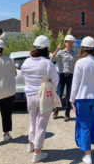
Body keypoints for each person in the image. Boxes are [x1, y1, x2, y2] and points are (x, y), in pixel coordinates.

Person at [21, 35, 59, 163]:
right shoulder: (47, 63)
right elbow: (56, 80)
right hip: (44, 96)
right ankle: (37, 153)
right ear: (46, 48)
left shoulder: (26, 62)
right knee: (41, 124)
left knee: (33, 121)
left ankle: (30, 145)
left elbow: (25, 77)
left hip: (30, 96)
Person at [70, 36, 94, 164]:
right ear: (93, 48)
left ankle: (87, 155)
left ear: (83, 49)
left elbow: (75, 83)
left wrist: (71, 100)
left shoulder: (79, 63)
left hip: (82, 98)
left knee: (85, 126)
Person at [51, 35, 78, 121]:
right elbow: (52, 58)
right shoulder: (61, 53)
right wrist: (57, 49)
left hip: (71, 76)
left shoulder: (75, 53)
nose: (70, 44)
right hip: (62, 76)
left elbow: (78, 63)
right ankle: (56, 110)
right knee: (59, 94)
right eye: (69, 42)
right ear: (65, 43)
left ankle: (67, 113)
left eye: (72, 42)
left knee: (69, 95)